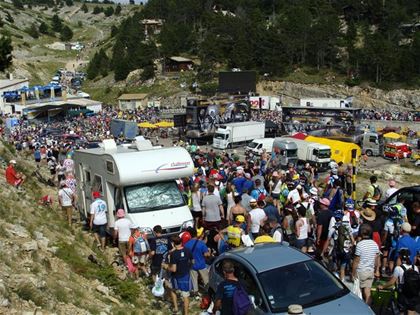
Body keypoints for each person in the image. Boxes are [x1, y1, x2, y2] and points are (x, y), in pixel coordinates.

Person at [378, 249, 419, 315]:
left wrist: (382, 286)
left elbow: (392, 282)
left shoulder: (398, 268)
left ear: (400, 257)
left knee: (401, 312)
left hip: (403, 293)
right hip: (413, 293)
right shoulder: (415, 267)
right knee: (411, 311)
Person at [162, 235, 193, 315]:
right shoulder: (187, 250)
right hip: (186, 275)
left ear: (173, 243)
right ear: (181, 242)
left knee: (173, 290)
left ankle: (175, 307)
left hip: (176, 277)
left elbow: (173, 269)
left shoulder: (174, 254)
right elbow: (193, 261)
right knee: (186, 295)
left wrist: (166, 266)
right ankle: (186, 313)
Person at [352, 224, 380, 306]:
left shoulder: (360, 245)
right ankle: (368, 307)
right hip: (370, 271)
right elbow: (377, 258)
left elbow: (356, 261)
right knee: (368, 292)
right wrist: (377, 270)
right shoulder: (374, 244)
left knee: (359, 293)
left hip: (361, 271)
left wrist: (353, 273)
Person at [185, 229, 210, 295]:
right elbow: (206, 254)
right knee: (206, 280)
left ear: (190, 235)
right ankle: (208, 292)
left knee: (194, 280)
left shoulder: (186, 244)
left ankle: (195, 292)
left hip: (192, 265)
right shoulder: (201, 243)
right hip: (201, 264)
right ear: (197, 234)